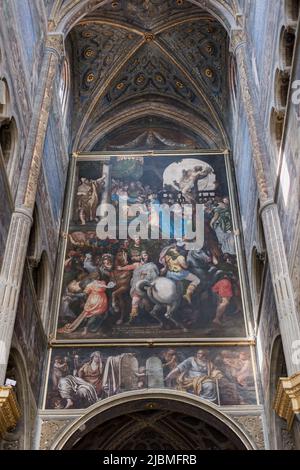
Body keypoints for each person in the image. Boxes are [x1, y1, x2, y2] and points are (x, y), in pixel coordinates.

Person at [116, 250, 159, 321]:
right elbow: (128, 267)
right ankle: (132, 318)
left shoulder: (152, 265)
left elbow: (155, 276)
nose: (146, 257)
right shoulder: (137, 265)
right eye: (144, 255)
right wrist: (121, 268)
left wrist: (146, 275)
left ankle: (153, 318)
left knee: (147, 304)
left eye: (147, 255)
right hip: (137, 288)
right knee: (135, 301)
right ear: (141, 256)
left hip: (147, 288)